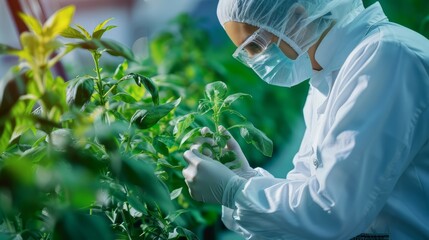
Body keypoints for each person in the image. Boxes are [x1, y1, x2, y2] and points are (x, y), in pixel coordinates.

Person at [182, 0, 429, 239]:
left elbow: (330, 212)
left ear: (297, 16)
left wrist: (235, 192)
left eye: (256, 46)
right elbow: (305, 192)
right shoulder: (326, 77)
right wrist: (245, 180)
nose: (258, 62)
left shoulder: (386, 58)